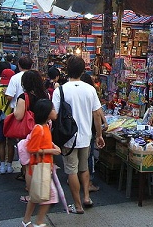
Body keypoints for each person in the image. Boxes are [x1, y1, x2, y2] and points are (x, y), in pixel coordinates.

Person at [52, 56, 105, 214]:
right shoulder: (90, 89)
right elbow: (97, 114)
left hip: (68, 138)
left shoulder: (60, 90)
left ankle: (78, 205)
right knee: (84, 168)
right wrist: (99, 135)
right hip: (85, 136)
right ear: (83, 71)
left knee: (71, 171)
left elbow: (54, 114)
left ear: (67, 70)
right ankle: (87, 197)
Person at [21, 99, 61, 227]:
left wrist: (53, 146)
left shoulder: (45, 127)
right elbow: (32, 149)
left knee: (35, 196)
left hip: (43, 166)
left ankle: (27, 221)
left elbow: (43, 143)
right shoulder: (39, 129)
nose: (55, 112)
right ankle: (38, 221)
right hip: (40, 166)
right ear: (47, 113)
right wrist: (52, 151)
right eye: (53, 109)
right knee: (51, 196)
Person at [15, 70, 50, 189]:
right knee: (41, 158)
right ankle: (42, 183)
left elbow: (18, 115)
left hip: (29, 132)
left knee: (29, 161)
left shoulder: (24, 97)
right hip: (43, 130)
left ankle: (30, 186)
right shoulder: (45, 95)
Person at [80, 73, 108, 193]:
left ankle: (75, 178)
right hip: (88, 130)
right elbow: (97, 111)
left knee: (78, 156)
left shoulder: (73, 92)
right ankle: (89, 183)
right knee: (88, 156)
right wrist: (100, 132)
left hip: (76, 130)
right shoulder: (90, 92)